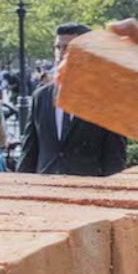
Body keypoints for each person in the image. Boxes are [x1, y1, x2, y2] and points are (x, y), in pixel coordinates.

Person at [17, 23, 127, 176]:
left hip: (87, 193)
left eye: (68, 48)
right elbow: (29, 152)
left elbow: (114, 159)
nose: (61, 54)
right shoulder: (41, 97)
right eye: (58, 47)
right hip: (44, 191)